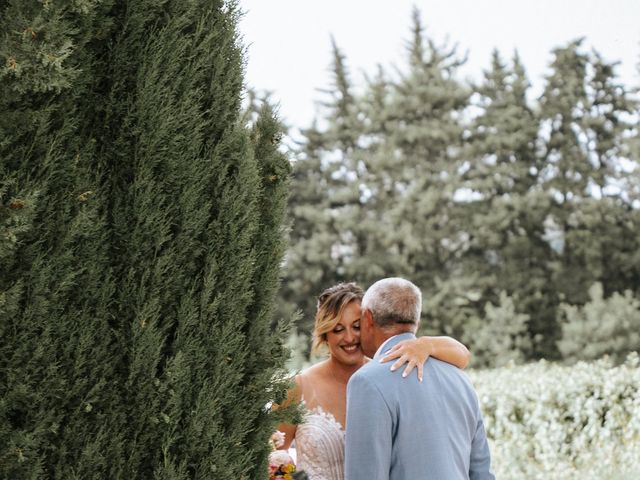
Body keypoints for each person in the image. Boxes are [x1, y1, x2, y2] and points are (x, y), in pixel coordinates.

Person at [276, 282, 471, 480]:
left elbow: (463, 355)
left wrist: (426, 344)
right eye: (338, 329)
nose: (350, 337)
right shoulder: (297, 387)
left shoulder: (389, 374)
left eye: (356, 326)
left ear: (369, 323)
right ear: (324, 334)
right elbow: (270, 459)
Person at [344, 278, 494, 480]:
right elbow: (482, 473)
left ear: (368, 318)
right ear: (416, 322)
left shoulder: (367, 381)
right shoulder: (461, 379)